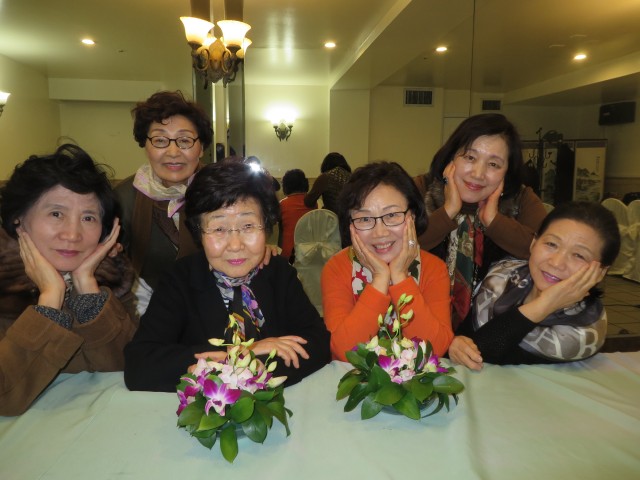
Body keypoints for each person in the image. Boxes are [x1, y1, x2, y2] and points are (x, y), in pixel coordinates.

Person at [124, 159, 331, 392]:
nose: (235, 245)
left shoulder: (279, 272)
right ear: (199, 232)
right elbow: (140, 364)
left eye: (248, 226)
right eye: (219, 229)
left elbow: (318, 342)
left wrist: (256, 371)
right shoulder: (179, 279)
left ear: (266, 226)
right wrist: (240, 354)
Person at [0, 144, 137, 416]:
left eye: (88, 217)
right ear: (19, 220)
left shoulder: (110, 278)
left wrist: (87, 286)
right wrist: (50, 298)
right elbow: (5, 397)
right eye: (56, 214)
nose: (73, 234)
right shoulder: (6, 285)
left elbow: (129, 368)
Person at [448, 201, 621, 370]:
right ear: (534, 243)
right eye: (551, 244)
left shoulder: (584, 329)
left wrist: (544, 305)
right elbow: (463, 338)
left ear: (600, 272)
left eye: (579, 255)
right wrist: (455, 342)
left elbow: (482, 355)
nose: (556, 263)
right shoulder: (504, 275)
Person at [416, 113, 547, 330]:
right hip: (416, 327)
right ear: (451, 157)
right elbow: (397, 246)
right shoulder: (419, 190)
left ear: (508, 171)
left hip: (496, 331)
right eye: (470, 158)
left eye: (493, 164)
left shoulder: (522, 200)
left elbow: (546, 255)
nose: (478, 174)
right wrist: (448, 212)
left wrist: (494, 221)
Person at [321, 161, 453, 362]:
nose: (380, 232)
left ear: (412, 216)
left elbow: (433, 351)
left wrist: (400, 277)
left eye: (391, 215)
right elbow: (345, 352)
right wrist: (380, 279)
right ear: (350, 225)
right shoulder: (337, 268)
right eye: (365, 219)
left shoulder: (434, 269)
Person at [114, 90, 213, 314]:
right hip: (147, 306)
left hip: (216, 304)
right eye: (160, 140)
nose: (173, 152)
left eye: (185, 140)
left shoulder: (223, 191)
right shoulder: (123, 197)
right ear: (145, 145)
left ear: (201, 147)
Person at [279, 169, 317, 262]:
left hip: (289, 253)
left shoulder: (282, 204)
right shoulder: (313, 203)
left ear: (285, 186)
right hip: (310, 251)